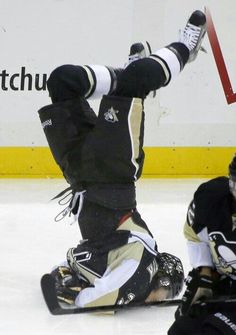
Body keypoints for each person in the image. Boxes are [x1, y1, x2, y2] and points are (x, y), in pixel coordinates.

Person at [38, 10, 206, 308]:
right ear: (161, 279)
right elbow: (97, 299)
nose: (163, 298)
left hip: (79, 173)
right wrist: (76, 293)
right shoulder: (140, 265)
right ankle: (185, 48)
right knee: (137, 79)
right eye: (168, 293)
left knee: (61, 81)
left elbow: (77, 270)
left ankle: (129, 78)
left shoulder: (131, 265)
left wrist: (70, 278)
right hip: (114, 170)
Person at [168, 155, 236, 335]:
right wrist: (205, 276)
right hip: (224, 279)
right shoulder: (211, 200)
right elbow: (195, 237)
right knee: (182, 329)